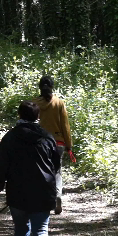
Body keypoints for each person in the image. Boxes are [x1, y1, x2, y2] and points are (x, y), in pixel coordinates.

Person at [0, 101, 60, 236]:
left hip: (18, 192)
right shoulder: (47, 137)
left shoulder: (10, 137)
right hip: (43, 192)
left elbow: (1, 165)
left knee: (21, 229)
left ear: (19, 115)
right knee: (40, 230)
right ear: (38, 117)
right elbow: (56, 166)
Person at [32, 76, 72, 215]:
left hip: (41, 143)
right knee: (57, 171)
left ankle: (44, 199)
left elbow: (31, 124)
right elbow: (65, 125)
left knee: (41, 171)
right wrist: (69, 144)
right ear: (52, 87)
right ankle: (57, 196)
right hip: (58, 142)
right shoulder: (59, 103)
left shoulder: (34, 104)